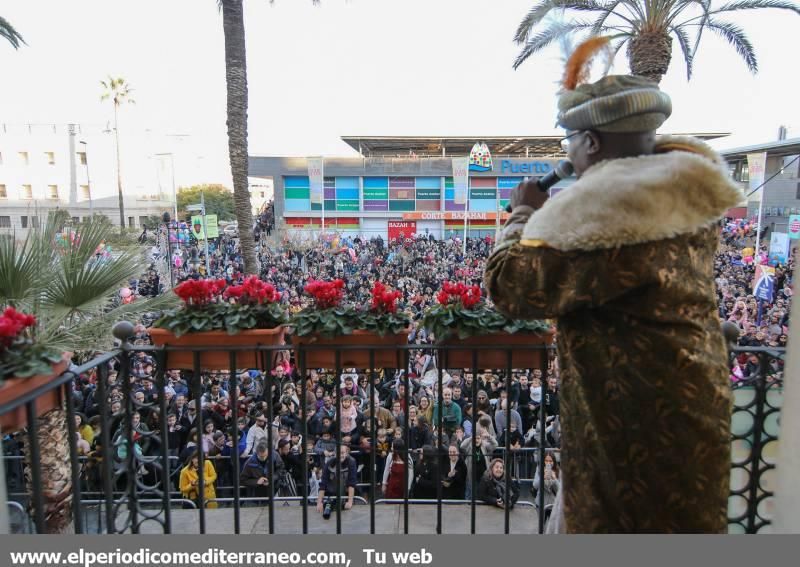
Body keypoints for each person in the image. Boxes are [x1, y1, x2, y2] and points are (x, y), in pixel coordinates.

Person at [484, 37, 742, 533]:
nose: (567, 153)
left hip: (632, 424)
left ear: (593, 143)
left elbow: (510, 287)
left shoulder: (601, 220)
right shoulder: (684, 191)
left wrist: (521, 214)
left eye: (570, 141)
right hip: (692, 403)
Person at [316, 445, 358, 519]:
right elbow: (323, 484)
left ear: (346, 453)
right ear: (335, 453)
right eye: (338, 453)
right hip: (332, 492)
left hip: (346, 492)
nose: (340, 455)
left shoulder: (351, 462)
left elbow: (352, 482)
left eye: (342, 453)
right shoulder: (329, 463)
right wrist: (319, 503)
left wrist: (350, 501)